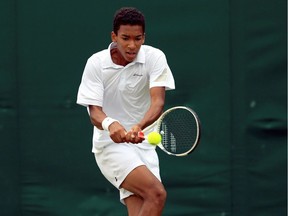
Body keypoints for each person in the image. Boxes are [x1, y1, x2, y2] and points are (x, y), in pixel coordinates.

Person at [77, 7, 175, 216]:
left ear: (144, 37)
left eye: (138, 38)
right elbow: (95, 112)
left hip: (145, 144)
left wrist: (138, 126)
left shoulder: (155, 57)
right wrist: (111, 124)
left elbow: (157, 102)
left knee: (142, 208)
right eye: (125, 38)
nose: (132, 45)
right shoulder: (96, 63)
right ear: (114, 36)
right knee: (157, 194)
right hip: (110, 146)